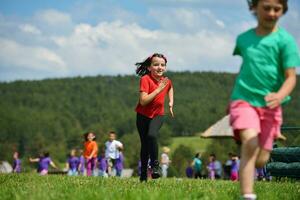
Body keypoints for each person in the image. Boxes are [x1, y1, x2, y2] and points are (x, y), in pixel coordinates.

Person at [229, 0, 300, 199]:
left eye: (276, 9)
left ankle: (263, 143)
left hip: (271, 105)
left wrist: (279, 95)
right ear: (254, 8)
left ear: (283, 10)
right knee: (250, 144)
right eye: (266, 7)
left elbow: (291, 77)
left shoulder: (286, 42)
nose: (271, 12)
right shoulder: (243, 39)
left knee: (261, 159)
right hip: (243, 100)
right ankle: (248, 195)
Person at [135, 53, 174, 182]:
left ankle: (155, 165)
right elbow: (143, 101)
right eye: (156, 64)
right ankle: (143, 175)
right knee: (145, 145)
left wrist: (171, 102)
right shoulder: (145, 79)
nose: (159, 67)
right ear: (150, 67)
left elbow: (170, 88)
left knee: (152, 135)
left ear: (165, 68)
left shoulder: (166, 81)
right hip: (142, 116)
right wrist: (157, 90)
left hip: (158, 115)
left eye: (162, 65)